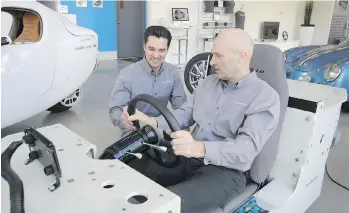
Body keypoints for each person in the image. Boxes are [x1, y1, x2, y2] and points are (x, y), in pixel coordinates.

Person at [121, 29, 280, 213]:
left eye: (218, 56)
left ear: (241, 56)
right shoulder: (207, 83)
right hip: (186, 157)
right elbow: (184, 115)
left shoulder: (265, 97)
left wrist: (199, 148)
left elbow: (245, 150)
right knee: (128, 164)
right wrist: (150, 120)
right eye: (212, 55)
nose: (212, 62)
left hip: (225, 172)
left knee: (167, 203)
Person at [109, 26, 187, 136]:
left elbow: (183, 109)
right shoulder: (127, 74)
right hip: (135, 131)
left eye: (161, 50)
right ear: (144, 46)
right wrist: (123, 119)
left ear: (167, 50)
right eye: (151, 49)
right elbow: (115, 110)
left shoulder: (173, 72)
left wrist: (179, 129)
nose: (156, 55)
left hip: (161, 128)